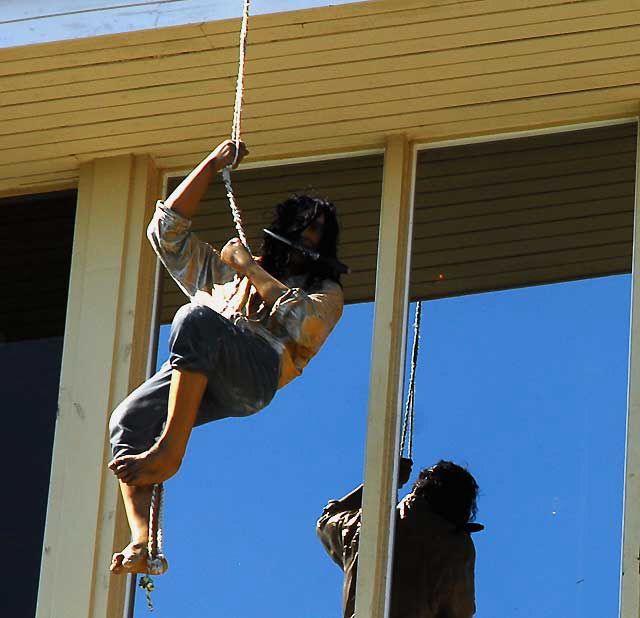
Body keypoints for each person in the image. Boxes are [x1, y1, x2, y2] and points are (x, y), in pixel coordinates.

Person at [108, 139, 344, 575]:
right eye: (304, 229)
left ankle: (170, 451)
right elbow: (166, 232)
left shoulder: (325, 292)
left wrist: (250, 269)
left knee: (194, 318)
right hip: (203, 369)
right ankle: (144, 542)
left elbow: (305, 326)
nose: (308, 241)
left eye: (317, 235)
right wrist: (212, 165)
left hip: (255, 372)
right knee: (128, 421)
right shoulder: (223, 276)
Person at [317, 459, 483, 618]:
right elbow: (461, 610)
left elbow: (326, 521)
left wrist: (385, 482)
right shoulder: (456, 547)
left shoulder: (368, 524)